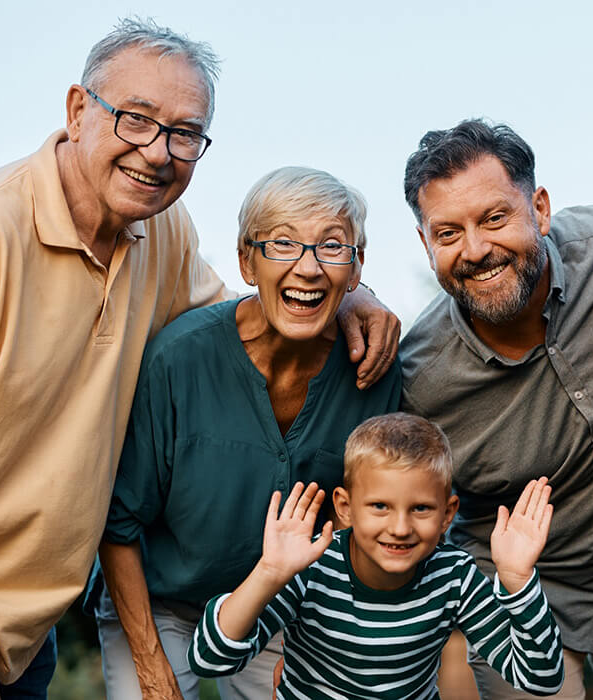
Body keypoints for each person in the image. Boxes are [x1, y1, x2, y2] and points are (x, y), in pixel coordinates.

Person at [0, 19, 397, 700]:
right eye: (136, 120)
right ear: (77, 110)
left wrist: (353, 293)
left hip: (24, 606)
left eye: (185, 133)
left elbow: (254, 310)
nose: (158, 152)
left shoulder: (161, 231)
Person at [400, 120, 593, 699]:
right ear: (425, 244)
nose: (475, 250)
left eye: (495, 218)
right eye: (447, 233)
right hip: (515, 611)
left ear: (538, 208)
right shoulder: (418, 379)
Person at [91, 166, 402, 700]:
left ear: (355, 271)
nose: (307, 269)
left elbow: (361, 524)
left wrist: (318, 644)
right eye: (283, 244)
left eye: (332, 248)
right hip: (159, 604)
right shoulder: (179, 359)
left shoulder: (372, 371)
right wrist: (148, 663)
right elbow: (118, 526)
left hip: (284, 609)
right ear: (245, 260)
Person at [188, 412, 565, 698]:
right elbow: (209, 659)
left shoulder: (455, 576)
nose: (400, 528)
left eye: (420, 509)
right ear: (346, 507)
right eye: (380, 506)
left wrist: (517, 580)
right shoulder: (310, 568)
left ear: (448, 514)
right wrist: (269, 572)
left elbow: (541, 678)